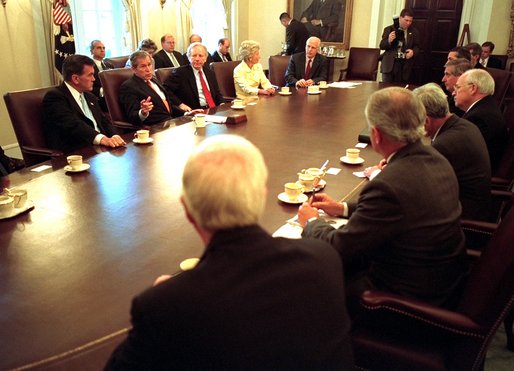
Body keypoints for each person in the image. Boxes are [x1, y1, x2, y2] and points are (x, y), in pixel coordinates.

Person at [104, 134, 354, 370]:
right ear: (262, 197)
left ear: (187, 210)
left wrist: (168, 300)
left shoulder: (164, 306)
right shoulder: (323, 258)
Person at [298, 87, 468, 309]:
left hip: (403, 302)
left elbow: (339, 249)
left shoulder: (387, 185)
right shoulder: (437, 159)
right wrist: (343, 208)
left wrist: (311, 222)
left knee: (304, 278)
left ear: (376, 134)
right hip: (443, 283)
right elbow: (398, 210)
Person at [413, 83, 491, 221]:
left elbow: (417, 190)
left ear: (426, 121)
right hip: (473, 207)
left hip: (462, 221)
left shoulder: (444, 145)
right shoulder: (463, 125)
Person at [42, 55, 125, 154]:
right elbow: (73, 125)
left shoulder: (89, 96)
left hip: (102, 149)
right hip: (76, 153)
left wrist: (114, 135)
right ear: (76, 79)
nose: (94, 79)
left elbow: (103, 121)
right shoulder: (55, 97)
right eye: (90, 75)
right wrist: (101, 139)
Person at [454, 68, 508, 173]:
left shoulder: (479, 117)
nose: (453, 93)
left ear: (473, 88)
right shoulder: (485, 108)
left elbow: (461, 154)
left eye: (457, 87)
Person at [120, 51, 180, 126]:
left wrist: (185, 112)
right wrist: (143, 112)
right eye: (143, 66)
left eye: (149, 65)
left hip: (171, 122)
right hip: (155, 128)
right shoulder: (129, 86)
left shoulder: (154, 80)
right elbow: (132, 116)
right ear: (134, 69)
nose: (148, 69)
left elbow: (167, 105)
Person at [164, 42, 224, 112]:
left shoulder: (210, 73)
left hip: (213, 109)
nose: (197, 59)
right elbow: (166, 90)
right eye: (194, 55)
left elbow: (217, 93)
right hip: (194, 111)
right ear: (189, 57)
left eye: (200, 56)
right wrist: (180, 104)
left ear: (205, 58)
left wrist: (222, 104)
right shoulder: (180, 73)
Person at [379, 8, 420, 83]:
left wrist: (413, 52)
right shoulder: (389, 29)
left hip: (404, 67)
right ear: (400, 18)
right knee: (386, 91)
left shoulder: (414, 32)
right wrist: (389, 40)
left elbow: (417, 47)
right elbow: (381, 45)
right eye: (406, 20)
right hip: (389, 66)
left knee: (400, 91)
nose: (408, 23)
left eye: (410, 21)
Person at [89, 40, 114, 112]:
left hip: (111, 96)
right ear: (92, 51)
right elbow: (86, 87)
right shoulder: (88, 66)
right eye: (99, 48)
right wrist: (102, 90)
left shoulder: (109, 65)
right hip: (98, 98)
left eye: (104, 48)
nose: (102, 50)